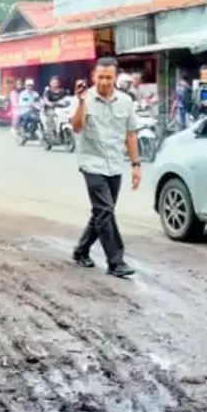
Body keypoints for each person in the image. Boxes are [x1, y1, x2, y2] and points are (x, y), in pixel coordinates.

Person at [70, 57, 141, 279]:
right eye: (100, 77)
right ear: (93, 76)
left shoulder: (126, 101)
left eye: (108, 78)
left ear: (115, 78)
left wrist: (136, 165)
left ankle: (81, 251)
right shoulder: (84, 98)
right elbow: (77, 127)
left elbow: (130, 134)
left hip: (115, 164)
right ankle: (116, 261)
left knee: (102, 212)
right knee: (105, 211)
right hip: (91, 163)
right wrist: (81, 102)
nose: (104, 82)